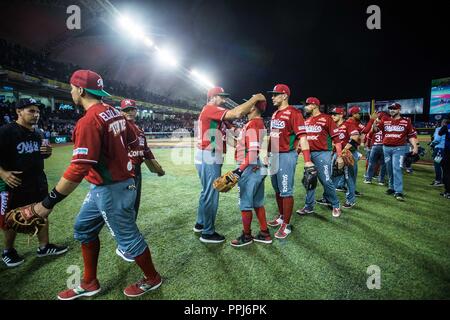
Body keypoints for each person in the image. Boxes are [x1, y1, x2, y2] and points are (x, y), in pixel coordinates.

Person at [30, 70, 162, 299]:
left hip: (112, 189)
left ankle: (153, 278)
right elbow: (133, 141)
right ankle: (90, 282)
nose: (71, 92)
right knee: (83, 228)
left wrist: (47, 203)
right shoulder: (115, 112)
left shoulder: (89, 121)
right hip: (108, 186)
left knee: (128, 238)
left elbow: (78, 168)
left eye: (72, 88)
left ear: (80, 90)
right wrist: (123, 164)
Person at [0, 98, 68, 267]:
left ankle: (44, 247)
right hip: (13, 183)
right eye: (31, 111)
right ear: (18, 111)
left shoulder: (37, 133)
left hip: (37, 181)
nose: (36, 114)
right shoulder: (6, 131)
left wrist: (48, 152)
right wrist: (3, 173)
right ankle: (8, 251)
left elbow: (38, 155)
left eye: (37, 111)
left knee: (42, 212)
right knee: (11, 217)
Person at [194, 87, 266, 244]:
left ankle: (200, 223)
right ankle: (207, 232)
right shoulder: (211, 109)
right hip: (209, 154)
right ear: (213, 97)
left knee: (206, 191)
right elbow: (238, 113)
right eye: (222, 97)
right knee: (212, 192)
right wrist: (254, 99)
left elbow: (232, 136)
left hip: (207, 154)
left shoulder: (216, 115)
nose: (224, 100)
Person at [117, 98, 165, 262]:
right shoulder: (118, 128)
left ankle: (129, 236)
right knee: (124, 207)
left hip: (136, 171)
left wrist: (156, 167)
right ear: (121, 111)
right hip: (123, 172)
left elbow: (145, 151)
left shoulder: (138, 129)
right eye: (126, 109)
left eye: (132, 109)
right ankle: (123, 246)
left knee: (133, 205)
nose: (130, 112)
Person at [264, 84, 313, 239]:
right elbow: (272, 136)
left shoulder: (294, 113)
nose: (272, 97)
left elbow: (303, 138)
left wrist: (307, 161)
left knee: (286, 190)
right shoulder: (275, 114)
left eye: (275, 94)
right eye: (272, 95)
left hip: (286, 155)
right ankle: (281, 216)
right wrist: (266, 152)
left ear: (284, 95)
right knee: (277, 189)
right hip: (274, 155)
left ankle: (287, 224)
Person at [230, 100, 272, 246]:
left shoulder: (254, 123)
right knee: (257, 202)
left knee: (245, 203)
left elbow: (253, 152)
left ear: (253, 107)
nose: (246, 106)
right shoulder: (255, 122)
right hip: (255, 165)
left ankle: (247, 236)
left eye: (249, 104)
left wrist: (239, 170)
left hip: (249, 166)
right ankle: (264, 233)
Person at [296, 97, 343, 218]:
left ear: (314, 105)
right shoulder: (306, 121)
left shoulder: (326, 119)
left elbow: (337, 140)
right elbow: (303, 140)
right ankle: (309, 206)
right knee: (310, 180)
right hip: (309, 154)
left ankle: (336, 204)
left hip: (323, 153)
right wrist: (298, 152)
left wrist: (339, 156)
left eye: (307, 105)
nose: (305, 107)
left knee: (326, 180)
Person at [373, 103, 418, 201]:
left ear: (399, 110)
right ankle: (391, 187)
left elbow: (411, 135)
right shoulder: (385, 120)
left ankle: (399, 191)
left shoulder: (406, 121)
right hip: (386, 148)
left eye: (394, 108)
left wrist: (415, 146)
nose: (392, 110)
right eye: (390, 108)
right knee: (389, 168)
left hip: (399, 148)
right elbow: (376, 130)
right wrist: (374, 122)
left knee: (396, 168)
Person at [330, 106, 357, 208]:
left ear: (341, 114)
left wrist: (344, 150)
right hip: (336, 154)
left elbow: (355, 137)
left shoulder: (348, 124)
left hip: (346, 154)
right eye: (332, 114)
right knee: (333, 175)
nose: (332, 116)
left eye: (335, 114)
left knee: (348, 177)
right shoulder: (333, 127)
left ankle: (351, 200)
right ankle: (329, 198)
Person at [364, 111, 388, 185]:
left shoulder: (375, 125)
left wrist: (373, 121)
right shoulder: (387, 126)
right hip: (384, 146)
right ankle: (381, 180)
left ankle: (368, 179)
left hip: (375, 146)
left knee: (371, 163)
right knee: (383, 164)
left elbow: (369, 135)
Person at [430, 120, 446, 186]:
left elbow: (437, 139)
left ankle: (438, 181)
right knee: (444, 166)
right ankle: (444, 180)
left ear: (443, 123)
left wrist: (432, 144)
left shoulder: (439, 129)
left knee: (437, 164)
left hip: (440, 149)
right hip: (447, 150)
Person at [438, 115, 450, 198]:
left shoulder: (446, 126)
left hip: (448, 152)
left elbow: (440, 133)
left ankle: (448, 192)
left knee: (446, 172)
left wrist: (445, 125)